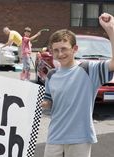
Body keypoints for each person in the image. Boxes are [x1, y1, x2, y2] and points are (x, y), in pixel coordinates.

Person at [41, 12, 114, 157]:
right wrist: (33, 101)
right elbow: (48, 102)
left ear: (74, 49)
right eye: (56, 50)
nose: (60, 53)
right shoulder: (51, 75)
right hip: (54, 136)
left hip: (80, 138)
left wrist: (111, 30)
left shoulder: (89, 69)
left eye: (64, 49)